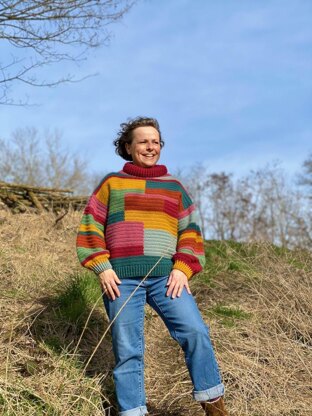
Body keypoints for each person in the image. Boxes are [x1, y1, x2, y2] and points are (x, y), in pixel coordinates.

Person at [76, 117, 228, 416]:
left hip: (167, 278)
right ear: (128, 147)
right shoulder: (111, 184)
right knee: (128, 351)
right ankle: (134, 411)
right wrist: (102, 267)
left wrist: (183, 267)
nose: (150, 146)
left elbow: (191, 232)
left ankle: (215, 407)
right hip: (120, 280)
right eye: (143, 141)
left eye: (155, 141)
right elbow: (90, 227)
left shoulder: (174, 187)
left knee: (196, 332)